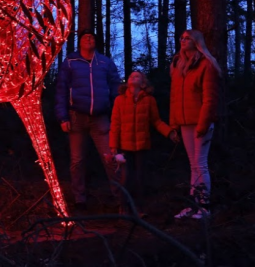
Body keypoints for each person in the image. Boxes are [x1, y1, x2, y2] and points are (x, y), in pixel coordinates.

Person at [55, 29, 122, 210]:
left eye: (92, 37)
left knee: (110, 157)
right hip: (76, 116)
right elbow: (61, 89)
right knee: (77, 160)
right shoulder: (70, 62)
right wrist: (62, 117)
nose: (89, 39)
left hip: (100, 117)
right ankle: (80, 199)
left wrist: (117, 111)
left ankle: (120, 198)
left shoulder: (105, 62)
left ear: (95, 42)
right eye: (85, 37)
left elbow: (116, 87)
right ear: (80, 42)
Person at [170, 29, 221, 220]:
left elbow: (210, 98)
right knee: (193, 164)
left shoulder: (206, 65)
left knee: (200, 163)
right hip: (184, 123)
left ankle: (204, 206)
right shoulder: (178, 64)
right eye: (181, 38)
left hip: (200, 122)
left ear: (196, 41)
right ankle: (193, 205)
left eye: (187, 38)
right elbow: (175, 97)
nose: (183, 40)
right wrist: (174, 122)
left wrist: (203, 123)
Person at [109, 71, 179, 210]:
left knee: (140, 178)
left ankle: (139, 210)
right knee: (125, 178)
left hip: (142, 145)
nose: (133, 77)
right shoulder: (120, 100)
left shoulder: (149, 100)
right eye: (131, 76)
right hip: (125, 146)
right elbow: (115, 124)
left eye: (137, 76)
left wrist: (169, 132)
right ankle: (123, 209)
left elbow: (156, 121)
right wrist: (113, 145)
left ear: (143, 83)